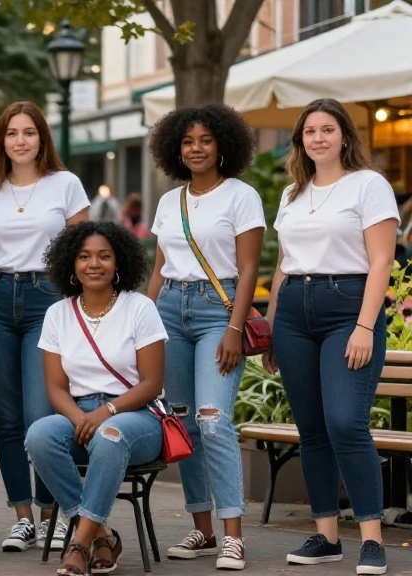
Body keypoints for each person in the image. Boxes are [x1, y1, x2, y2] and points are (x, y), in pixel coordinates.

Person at [263, 98, 397, 576]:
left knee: (345, 422)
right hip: (295, 310)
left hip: (348, 307)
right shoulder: (292, 193)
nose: (318, 138)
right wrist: (273, 325)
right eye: (310, 131)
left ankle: (371, 539)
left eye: (327, 129)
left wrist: (365, 325)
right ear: (300, 139)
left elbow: (381, 260)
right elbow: (282, 262)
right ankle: (325, 536)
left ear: (344, 136)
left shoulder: (368, 185)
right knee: (313, 429)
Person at [146, 103, 264, 570]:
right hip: (170, 310)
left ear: (222, 146)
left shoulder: (241, 196)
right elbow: (158, 269)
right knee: (184, 423)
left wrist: (235, 327)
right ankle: (202, 530)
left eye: (205, 141)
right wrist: (144, 324)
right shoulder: (168, 201)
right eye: (187, 141)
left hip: (219, 310)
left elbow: (250, 267)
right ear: (176, 149)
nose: (196, 149)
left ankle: (234, 535)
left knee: (214, 419)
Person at [0, 100, 90, 552]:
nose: (21, 140)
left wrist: (83, 315)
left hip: (49, 299)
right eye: (12, 133)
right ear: (2, 140)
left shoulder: (66, 185)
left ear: (42, 138)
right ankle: (23, 516)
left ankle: (53, 513)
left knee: (42, 415)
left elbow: (85, 255)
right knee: (7, 420)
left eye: (29, 132)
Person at [25, 221, 166, 576]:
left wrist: (107, 411)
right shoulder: (58, 314)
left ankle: (79, 543)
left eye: (104, 256)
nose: (94, 264)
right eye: (85, 256)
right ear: (71, 265)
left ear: (118, 263)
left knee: (110, 435)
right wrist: (79, 418)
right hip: (80, 414)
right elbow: (56, 387)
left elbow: (151, 383)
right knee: (39, 435)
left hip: (135, 416)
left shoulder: (139, 308)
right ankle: (102, 534)